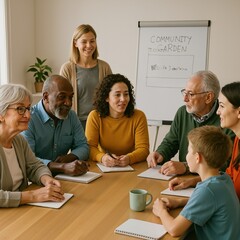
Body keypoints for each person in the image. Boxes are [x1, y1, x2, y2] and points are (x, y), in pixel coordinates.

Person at [152, 126, 240, 239]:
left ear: (197, 157)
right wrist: (179, 202)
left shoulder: (208, 190)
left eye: (189, 151)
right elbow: (209, 202)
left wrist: (161, 211)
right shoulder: (223, 179)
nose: (186, 155)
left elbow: (174, 229)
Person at [146, 70, 234, 175]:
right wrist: (160, 153)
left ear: (208, 97)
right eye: (184, 92)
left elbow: (226, 163)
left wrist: (185, 167)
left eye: (190, 94)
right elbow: (170, 142)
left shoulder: (226, 119)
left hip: (210, 181)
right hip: (183, 179)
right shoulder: (182, 112)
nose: (185, 99)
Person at [169, 82, 240, 199]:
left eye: (222, 106)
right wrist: (192, 182)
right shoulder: (238, 140)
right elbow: (228, 176)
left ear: (239, 112)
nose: (218, 112)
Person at [0, 84, 64, 208]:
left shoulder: (19, 140)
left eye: (28, 108)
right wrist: (32, 196)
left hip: (21, 211)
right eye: (20, 109)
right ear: (1, 114)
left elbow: (35, 166)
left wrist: (46, 179)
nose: (28, 115)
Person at [21, 75, 89, 176]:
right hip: (36, 179)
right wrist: (61, 167)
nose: (68, 103)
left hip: (63, 177)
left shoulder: (72, 116)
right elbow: (28, 159)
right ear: (46, 97)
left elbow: (84, 147)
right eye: (62, 97)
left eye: (71, 97)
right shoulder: (28, 118)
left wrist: (68, 158)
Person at [85, 73, 149, 167]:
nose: (123, 99)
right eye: (117, 95)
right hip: (104, 167)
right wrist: (102, 158)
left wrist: (129, 158)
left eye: (126, 94)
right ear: (107, 97)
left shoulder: (139, 116)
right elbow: (90, 147)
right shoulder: (95, 116)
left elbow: (143, 149)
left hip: (132, 167)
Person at [60, 24, 112, 130]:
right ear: (75, 43)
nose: (89, 45)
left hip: (99, 123)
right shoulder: (67, 68)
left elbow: (111, 95)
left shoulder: (104, 67)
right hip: (75, 124)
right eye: (84, 42)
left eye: (92, 41)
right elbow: (60, 99)